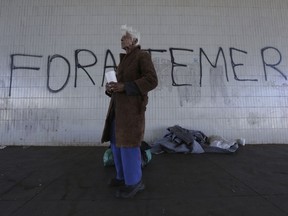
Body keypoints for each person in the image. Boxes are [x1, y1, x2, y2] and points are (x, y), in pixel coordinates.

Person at [101, 25, 158, 199]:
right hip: (118, 110)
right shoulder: (125, 59)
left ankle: (134, 182)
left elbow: (152, 80)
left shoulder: (143, 56)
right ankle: (121, 176)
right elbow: (120, 85)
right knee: (116, 144)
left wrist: (124, 86)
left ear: (134, 40)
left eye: (124, 37)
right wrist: (111, 88)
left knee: (129, 146)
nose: (121, 39)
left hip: (131, 112)